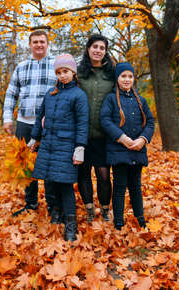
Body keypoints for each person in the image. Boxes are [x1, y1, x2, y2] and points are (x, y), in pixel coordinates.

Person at [28, 54, 89, 241]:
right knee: (49, 183)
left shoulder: (78, 95)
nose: (63, 75)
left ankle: (71, 224)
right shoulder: (50, 94)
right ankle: (56, 213)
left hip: (66, 147)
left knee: (65, 185)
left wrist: (80, 147)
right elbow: (40, 118)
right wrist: (34, 138)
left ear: (73, 73)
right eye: (59, 72)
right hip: (48, 146)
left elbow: (82, 123)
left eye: (66, 71)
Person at [3, 30, 57, 216]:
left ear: (47, 44)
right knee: (25, 165)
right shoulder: (22, 67)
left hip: (49, 125)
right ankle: (31, 203)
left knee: (49, 163)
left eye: (42, 41)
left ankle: (52, 204)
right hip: (24, 123)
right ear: (30, 44)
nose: (39, 45)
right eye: (35, 42)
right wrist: (8, 118)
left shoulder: (56, 66)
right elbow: (11, 93)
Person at [100, 62, 155, 230]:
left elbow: (150, 122)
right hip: (119, 151)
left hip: (137, 150)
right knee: (119, 186)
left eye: (130, 76)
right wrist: (121, 137)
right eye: (123, 76)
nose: (127, 79)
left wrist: (143, 139)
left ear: (133, 79)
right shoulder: (111, 99)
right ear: (117, 78)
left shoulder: (141, 100)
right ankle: (118, 222)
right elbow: (105, 120)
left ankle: (140, 219)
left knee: (136, 186)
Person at [77, 34, 115, 222]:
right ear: (88, 49)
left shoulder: (111, 74)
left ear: (105, 51)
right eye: (95, 47)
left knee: (103, 175)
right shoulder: (79, 73)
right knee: (83, 173)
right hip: (81, 134)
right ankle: (89, 209)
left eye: (102, 47)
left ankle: (105, 210)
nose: (98, 50)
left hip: (103, 134)